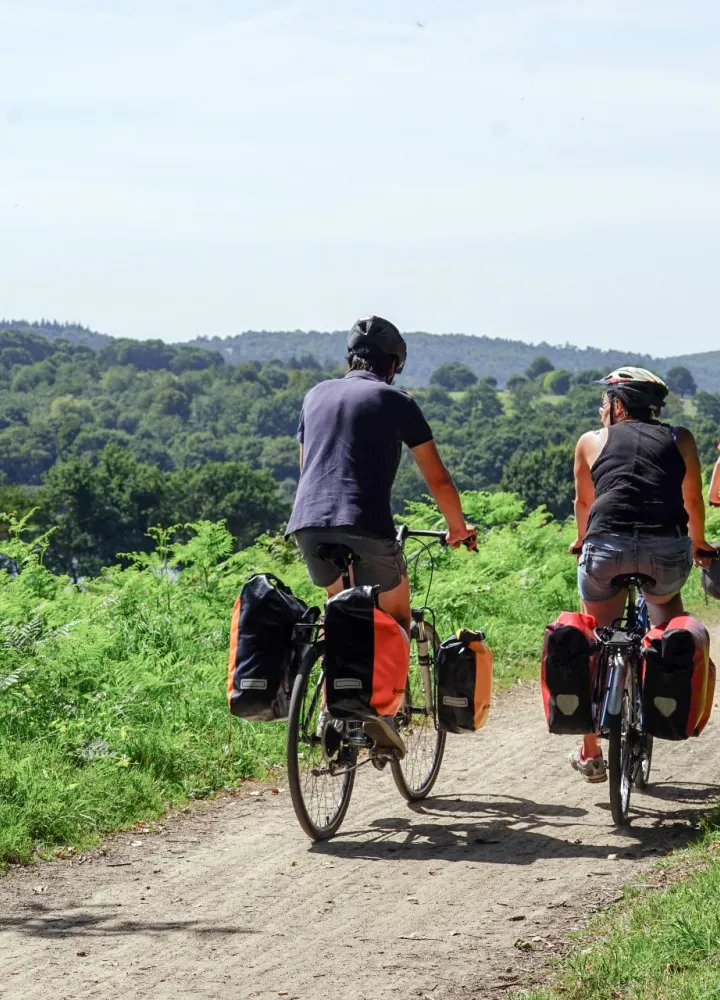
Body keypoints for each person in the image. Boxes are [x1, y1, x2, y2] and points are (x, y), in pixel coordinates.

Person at [286, 315, 476, 753]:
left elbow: (306, 468)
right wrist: (457, 528)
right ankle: (384, 717)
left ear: (350, 358)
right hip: (365, 525)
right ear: (393, 365)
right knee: (395, 619)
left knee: (337, 612)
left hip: (308, 524)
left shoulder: (314, 395)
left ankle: (329, 710)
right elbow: (439, 479)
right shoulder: (397, 400)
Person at [568, 366, 713, 783]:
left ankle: (591, 751)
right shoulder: (680, 438)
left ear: (618, 406)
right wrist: (699, 544)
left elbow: (584, 502)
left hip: (605, 552)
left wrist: (582, 540)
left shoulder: (591, 441)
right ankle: (660, 697)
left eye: (604, 402)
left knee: (595, 637)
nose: (601, 409)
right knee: (666, 625)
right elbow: (692, 502)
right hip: (664, 553)